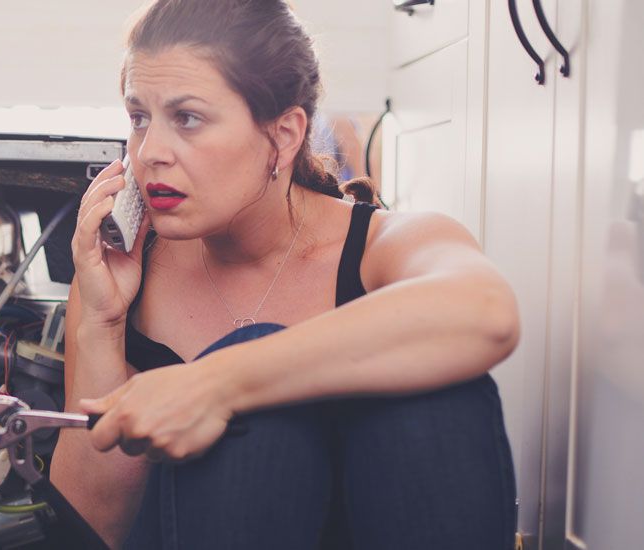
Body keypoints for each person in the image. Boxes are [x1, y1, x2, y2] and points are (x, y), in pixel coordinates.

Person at [48, 1, 520, 549]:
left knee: (437, 387)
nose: (150, 152)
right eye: (139, 118)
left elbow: (487, 314)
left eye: (188, 118)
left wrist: (216, 384)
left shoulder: (385, 244)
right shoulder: (119, 280)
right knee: (259, 406)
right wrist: (102, 325)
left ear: (286, 134)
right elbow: (91, 534)